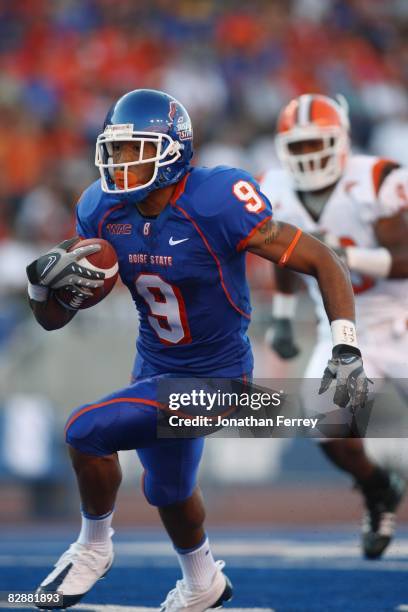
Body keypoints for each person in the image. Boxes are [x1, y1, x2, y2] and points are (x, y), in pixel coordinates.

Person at [26, 89, 369, 610]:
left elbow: (323, 259)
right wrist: (42, 288)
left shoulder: (217, 199)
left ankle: (92, 549)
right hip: (154, 367)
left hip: (219, 379)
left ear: (172, 150)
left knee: (84, 431)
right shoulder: (100, 208)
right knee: (167, 491)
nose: (118, 163)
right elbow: (54, 320)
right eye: (114, 150)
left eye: (132, 149)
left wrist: (344, 347)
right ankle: (203, 581)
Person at [261, 93, 408, 560]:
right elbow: (282, 255)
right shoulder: (275, 189)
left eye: (316, 145)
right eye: (298, 147)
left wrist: (347, 258)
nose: (308, 156)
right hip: (343, 326)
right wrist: (283, 316)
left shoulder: (377, 180)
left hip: (401, 313)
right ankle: (378, 489)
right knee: (328, 430)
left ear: (341, 141)